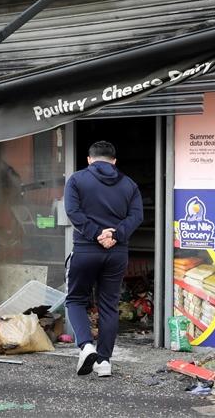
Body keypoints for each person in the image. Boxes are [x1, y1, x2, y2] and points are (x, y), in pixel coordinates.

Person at [64, 140, 143, 377]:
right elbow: (137, 216)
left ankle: (86, 346)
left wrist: (95, 234)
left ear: (89, 160)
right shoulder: (129, 184)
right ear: (114, 161)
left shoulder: (77, 180)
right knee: (108, 305)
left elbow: (72, 211)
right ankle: (104, 362)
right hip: (116, 252)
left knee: (76, 299)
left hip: (86, 250)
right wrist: (116, 234)